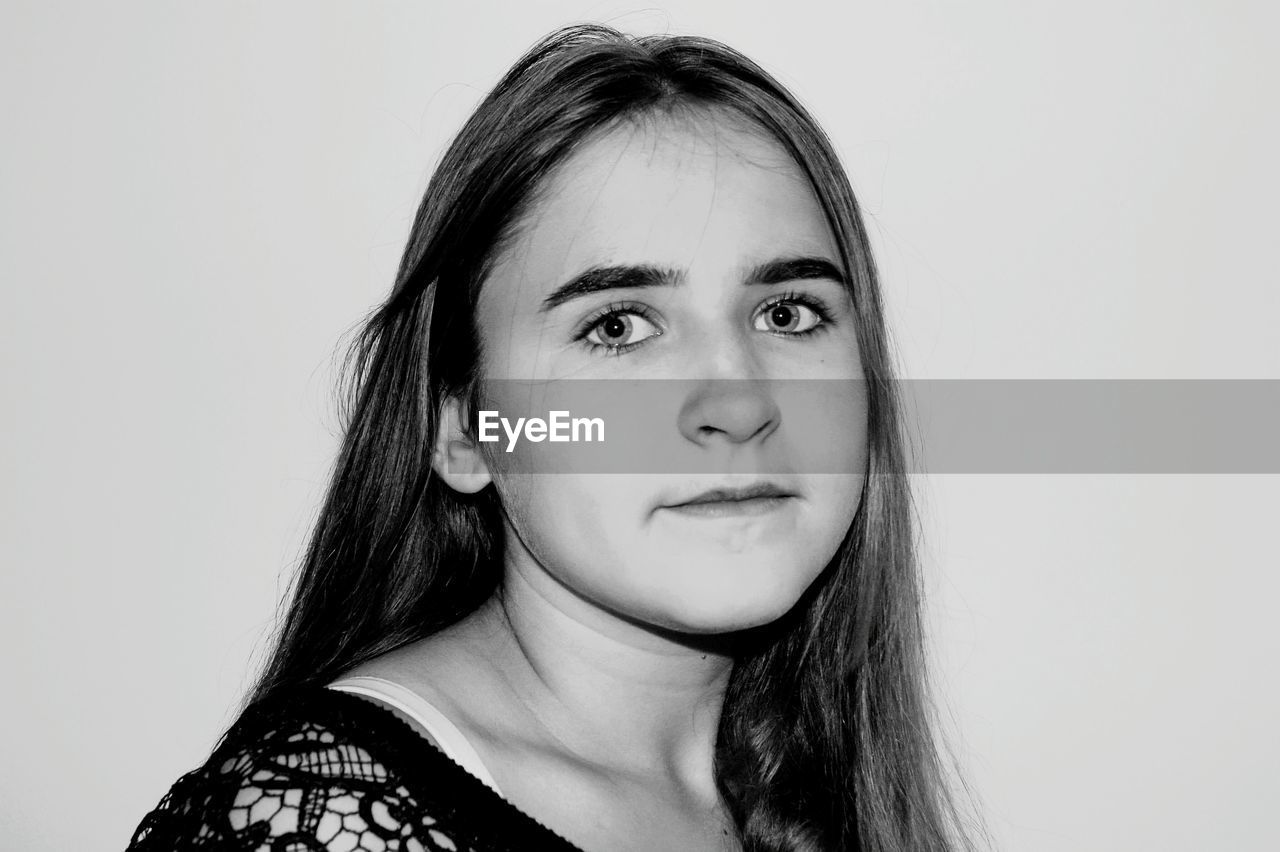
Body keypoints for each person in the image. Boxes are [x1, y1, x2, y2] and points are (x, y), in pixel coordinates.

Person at [127, 24, 973, 852]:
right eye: (617, 327)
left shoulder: (811, 788)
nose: (738, 402)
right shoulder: (311, 825)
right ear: (461, 427)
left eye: (788, 314)